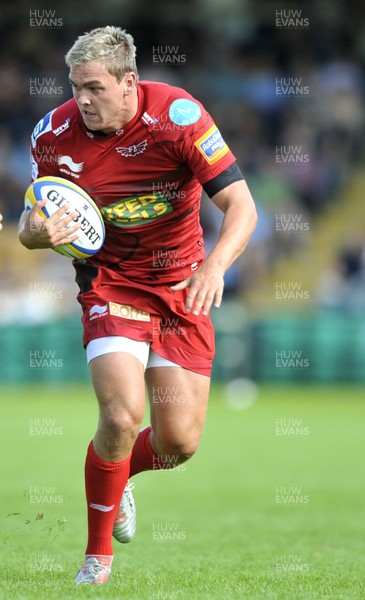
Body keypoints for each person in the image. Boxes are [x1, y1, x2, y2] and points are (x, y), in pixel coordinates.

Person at [18, 26, 257, 585]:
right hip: (112, 284)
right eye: (76, 87)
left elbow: (241, 205)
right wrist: (39, 232)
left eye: (95, 88)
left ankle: (122, 472)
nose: (83, 100)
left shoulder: (179, 117)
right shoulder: (53, 135)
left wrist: (215, 266)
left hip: (182, 285)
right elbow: (29, 224)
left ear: (129, 82)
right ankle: (96, 558)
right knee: (122, 415)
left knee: (178, 443)